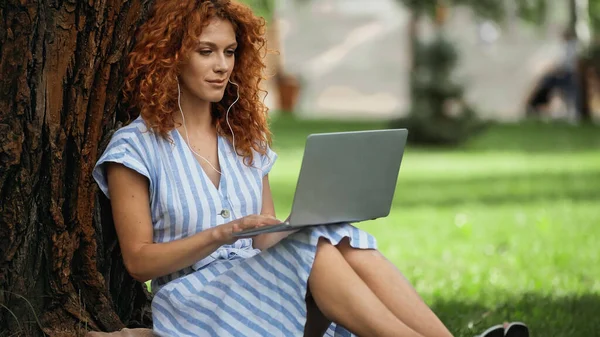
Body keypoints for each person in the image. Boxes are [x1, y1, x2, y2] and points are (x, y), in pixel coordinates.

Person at [92, 1, 529, 336]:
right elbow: (139, 262)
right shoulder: (136, 146)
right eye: (206, 52)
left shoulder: (244, 139)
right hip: (195, 304)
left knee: (339, 235)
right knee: (314, 248)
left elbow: (263, 239)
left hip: (257, 281)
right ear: (171, 57)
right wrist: (222, 233)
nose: (222, 65)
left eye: (229, 52)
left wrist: (304, 221)